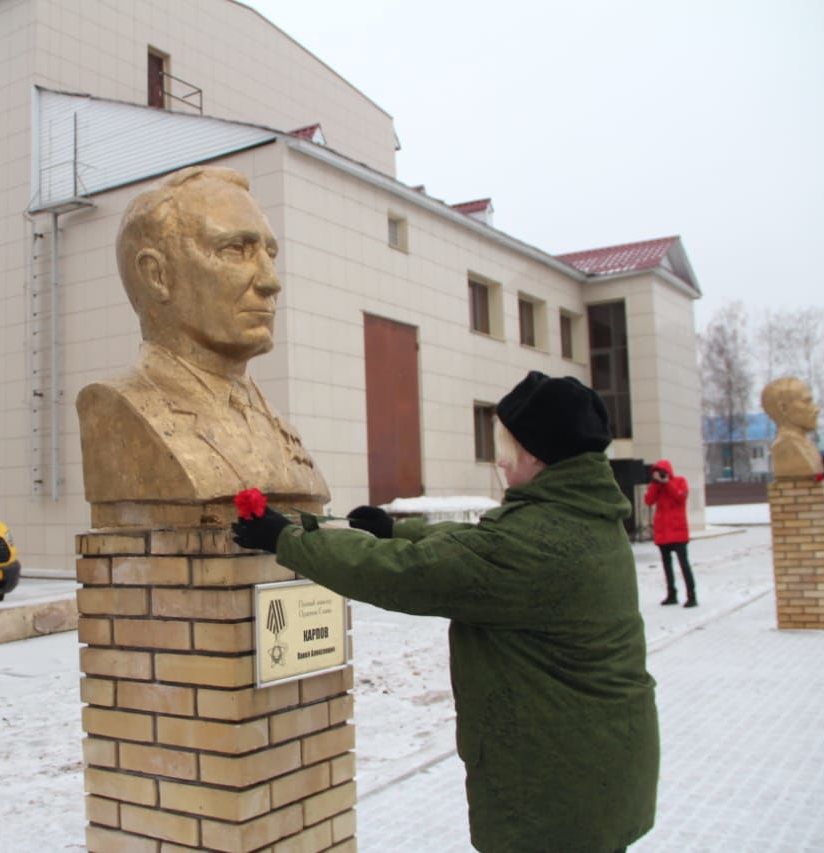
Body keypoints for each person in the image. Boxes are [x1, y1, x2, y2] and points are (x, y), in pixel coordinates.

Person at [234, 371, 659, 853]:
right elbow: (478, 548)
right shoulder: (582, 517)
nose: (499, 459)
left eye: (508, 446)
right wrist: (396, 531)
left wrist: (284, 539)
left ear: (539, 454)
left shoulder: (537, 542)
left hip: (558, 787)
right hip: (597, 764)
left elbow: (409, 575)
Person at [76, 166, 327, 506]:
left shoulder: (277, 426)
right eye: (236, 249)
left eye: (270, 254)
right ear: (157, 275)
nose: (271, 281)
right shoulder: (119, 409)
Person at [645, 459, 696, 607]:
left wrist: (667, 482)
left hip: (678, 533)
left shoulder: (680, 481)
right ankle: (671, 594)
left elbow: (680, 497)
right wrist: (656, 484)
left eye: (662, 472)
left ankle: (692, 595)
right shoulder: (657, 487)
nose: (660, 475)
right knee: (667, 567)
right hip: (663, 533)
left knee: (684, 565)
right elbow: (648, 501)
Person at [760, 376, 823, 479]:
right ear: (783, 408)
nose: (816, 409)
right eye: (806, 402)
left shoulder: (807, 445)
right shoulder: (785, 446)